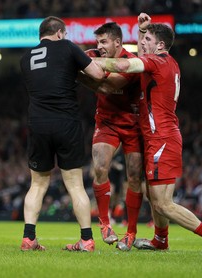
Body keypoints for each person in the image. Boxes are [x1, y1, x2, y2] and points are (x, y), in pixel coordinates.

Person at [93, 13, 202, 254]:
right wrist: (142, 29)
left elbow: (123, 64)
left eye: (146, 39)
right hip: (161, 136)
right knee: (154, 196)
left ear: (160, 45)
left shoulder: (156, 62)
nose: (141, 43)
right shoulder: (169, 62)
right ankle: (160, 239)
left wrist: (86, 62)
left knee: (163, 203)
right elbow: (139, 57)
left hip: (162, 138)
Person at [19, 16, 105, 252]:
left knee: (37, 184)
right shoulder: (67, 47)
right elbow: (97, 74)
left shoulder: (26, 58)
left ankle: (29, 238)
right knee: (75, 185)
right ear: (59, 33)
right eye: (65, 34)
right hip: (66, 122)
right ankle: (86, 239)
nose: (65, 38)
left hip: (37, 123)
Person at [80, 22, 144, 251]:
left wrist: (80, 73)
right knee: (99, 168)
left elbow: (107, 87)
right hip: (106, 122)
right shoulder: (93, 56)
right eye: (97, 42)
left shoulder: (132, 62)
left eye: (104, 41)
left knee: (134, 177)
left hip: (133, 125)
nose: (100, 46)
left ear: (118, 42)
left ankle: (131, 232)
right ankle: (105, 224)